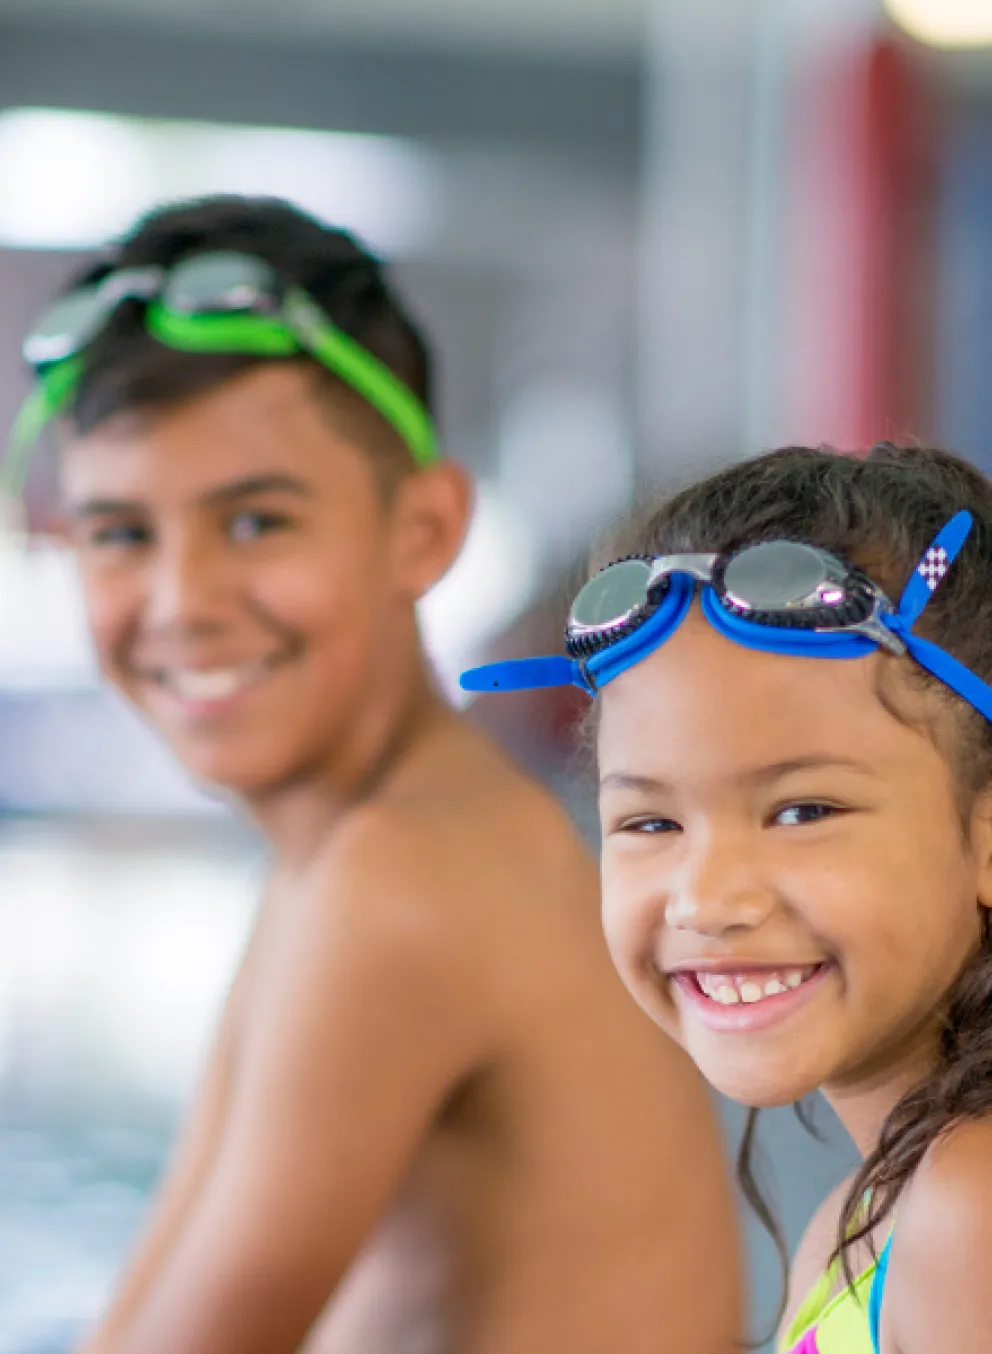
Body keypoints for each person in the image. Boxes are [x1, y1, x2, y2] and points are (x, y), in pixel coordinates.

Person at [8, 196, 742, 1354]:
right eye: (119, 534)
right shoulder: (367, 840)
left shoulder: (404, 880)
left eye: (255, 523)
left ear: (424, 528)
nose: (180, 601)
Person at [463, 441, 992, 1354]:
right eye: (650, 824)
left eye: (801, 810)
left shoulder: (967, 1214)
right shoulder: (864, 1220)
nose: (706, 900)